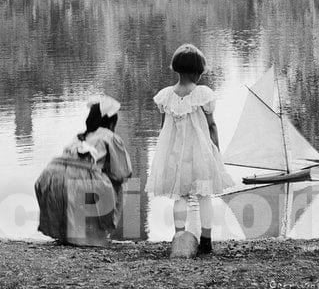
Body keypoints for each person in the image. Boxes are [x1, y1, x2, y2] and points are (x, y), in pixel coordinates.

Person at [147, 43, 234, 256]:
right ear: (198, 71)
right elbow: (212, 125)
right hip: (201, 152)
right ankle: (206, 240)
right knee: (204, 195)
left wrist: (165, 152)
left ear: (177, 69)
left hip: (176, 153)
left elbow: (163, 128)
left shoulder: (166, 95)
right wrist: (217, 150)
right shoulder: (202, 94)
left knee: (180, 196)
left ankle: (179, 237)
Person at [35, 95, 132, 247]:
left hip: (50, 176)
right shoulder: (110, 137)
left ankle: (70, 234)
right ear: (112, 121)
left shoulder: (79, 137)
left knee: (79, 182)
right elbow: (122, 172)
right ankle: (93, 234)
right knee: (120, 184)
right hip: (80, 182)